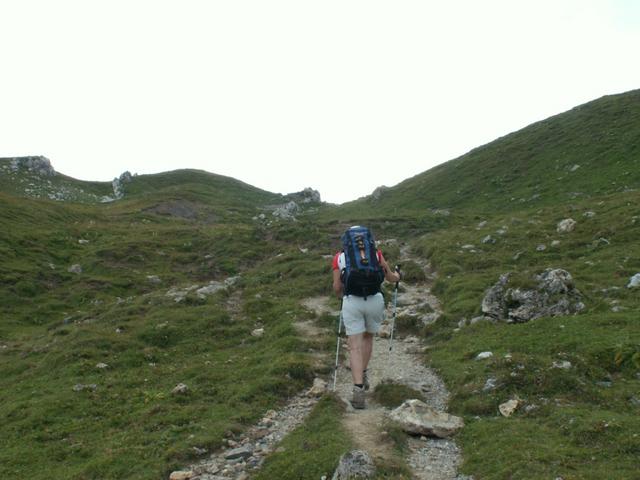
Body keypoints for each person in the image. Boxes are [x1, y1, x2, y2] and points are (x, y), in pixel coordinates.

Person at [332, 226, 401, 409]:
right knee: (368, 338)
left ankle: (358, 391)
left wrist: (342, 297)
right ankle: (363, 372)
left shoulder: (339, 257)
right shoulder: (376, 254)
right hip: (375, 300)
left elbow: (337, 287)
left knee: (354, 346)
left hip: (352, 301)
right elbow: (390, 278)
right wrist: (398, 275)